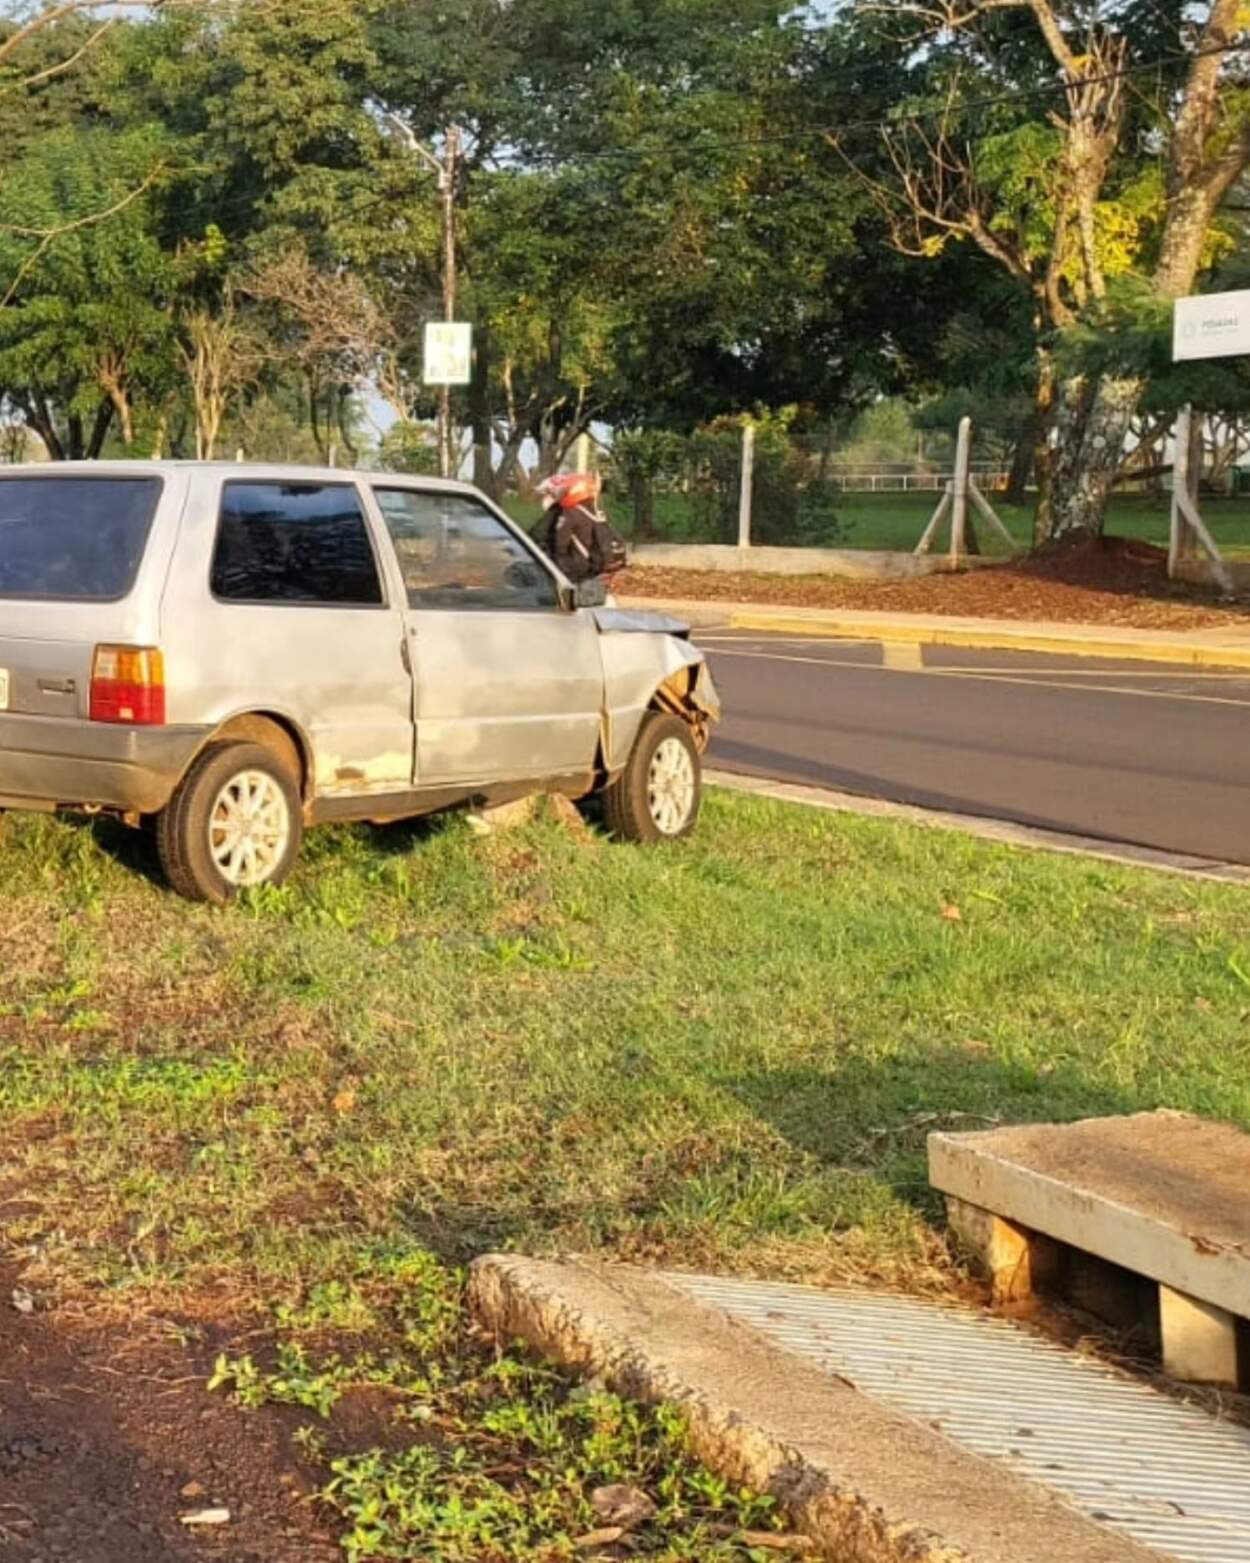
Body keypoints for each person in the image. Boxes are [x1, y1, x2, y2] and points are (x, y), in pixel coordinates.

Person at [534, 472, 627, 584]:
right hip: (597, 563)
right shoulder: (595, 510)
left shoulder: (569, 514)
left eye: (560, 492)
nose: (557, 496)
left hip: (577, 567)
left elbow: (560, 546)